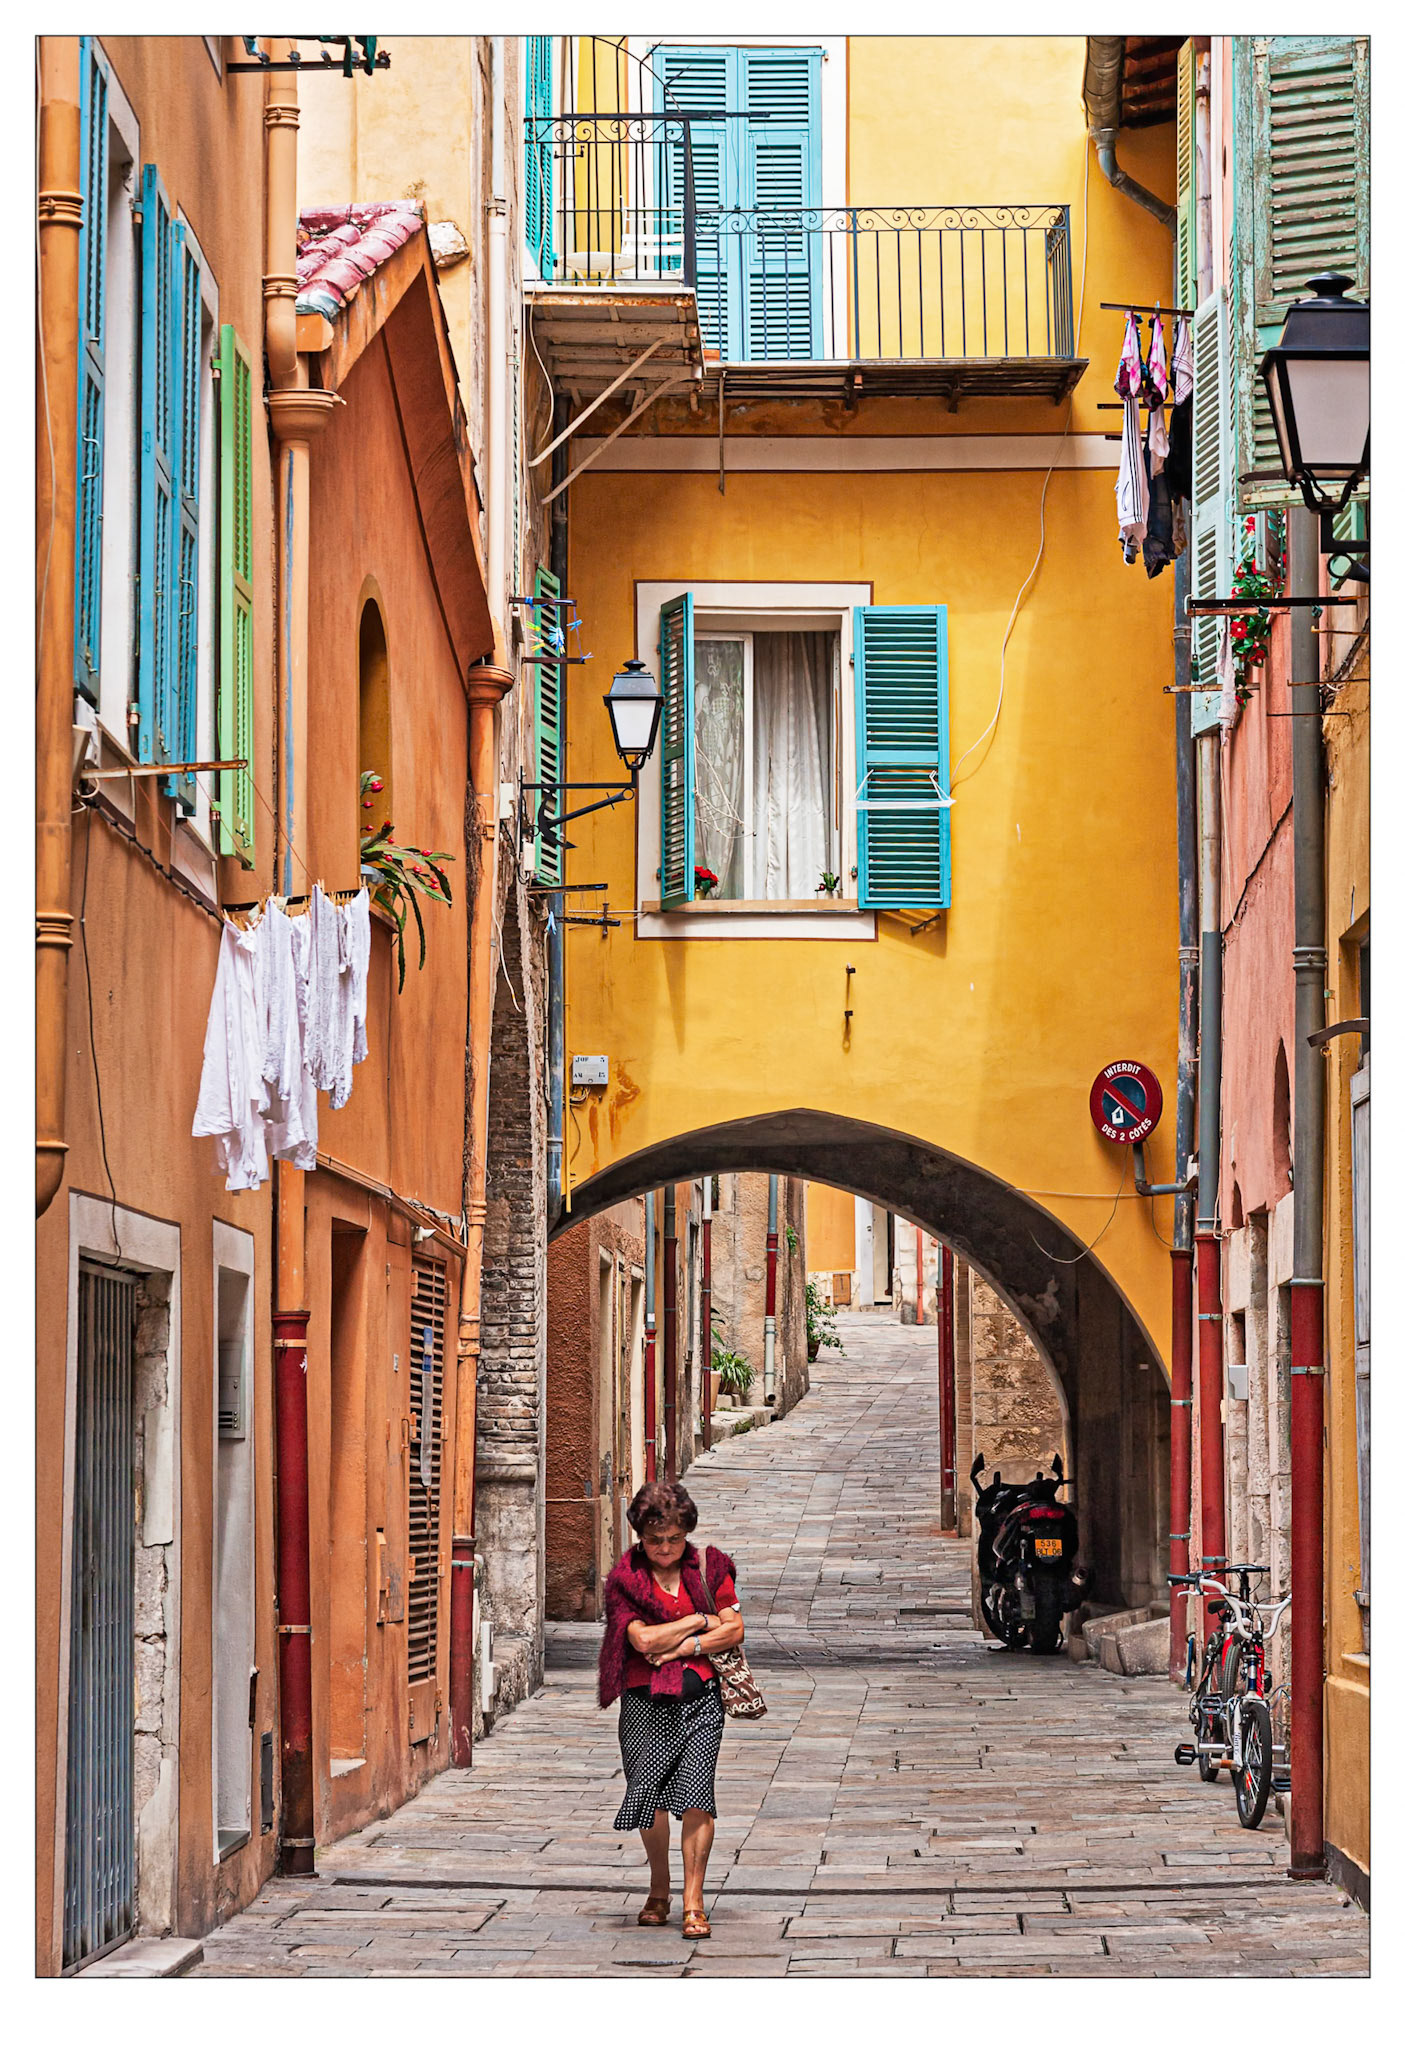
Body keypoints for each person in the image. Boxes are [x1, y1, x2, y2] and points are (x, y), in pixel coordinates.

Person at [598, 1479, 745, 1939]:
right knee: (651, 1800)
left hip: (701, 1702)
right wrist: (699, 1620)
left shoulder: (710, 1569)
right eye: (655, 1540)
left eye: (675, 1539)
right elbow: (642, 1640)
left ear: (687, 1533)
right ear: (640, 1537)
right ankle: (659, 1887)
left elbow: (734, 1629)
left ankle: (693, 1901)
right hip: (644, 1705)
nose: (665, 1549)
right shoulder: (625, 1580)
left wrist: (684, 1647)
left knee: (698, 1796)